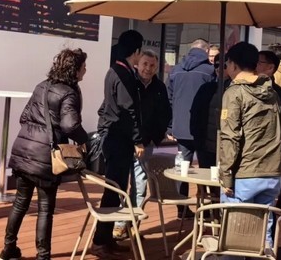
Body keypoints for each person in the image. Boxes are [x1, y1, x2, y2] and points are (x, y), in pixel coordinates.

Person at [0, 49, 89, 260]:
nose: (86, 70)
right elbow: (69, 125)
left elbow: (24, 117)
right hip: (45, 158)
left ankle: (8, 249)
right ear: (75, 70)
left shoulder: (42, 85)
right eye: (83, 66)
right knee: (45, 209)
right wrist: (84, 139)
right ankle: (43, 255)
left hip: (23, 151)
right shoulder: (68, 93)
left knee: (20, 202)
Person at [219, 42, 281, 248]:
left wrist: (226, 175)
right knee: (263, 234)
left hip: (244, 173)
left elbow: (230, 137)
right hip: (271, 172)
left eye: (227, 64)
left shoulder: (234, 93)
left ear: (233, 65)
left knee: (234, 234)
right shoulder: (271, 92)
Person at [92, 30, 145, 256]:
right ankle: (100, 240)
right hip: (119, 140)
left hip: (114, 137)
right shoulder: (123, 73)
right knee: (113, 190)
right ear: (136, 51)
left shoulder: (115, 70)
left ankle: (106, 238)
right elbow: (128, 109)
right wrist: (138, 140)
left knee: (116, 189)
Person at [113, 49, 171, 240]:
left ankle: (131, 226)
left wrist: (156, 136)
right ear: (138, 63)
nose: (148, 68)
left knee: (139, 185)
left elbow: (165, 113)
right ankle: (118, 223)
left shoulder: (160, 87)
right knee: (119, 185)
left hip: (146, 144)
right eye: (145, 64)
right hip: (124, 141)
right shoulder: (129, 82)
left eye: (152, 65)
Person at [168, 38, 215, 218]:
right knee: (207, 170)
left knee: (183, 170)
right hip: (203, 128)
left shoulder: (175, 70)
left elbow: (169, 99)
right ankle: (207, 210)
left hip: (181, 128)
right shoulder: (209, 71)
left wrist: (170, 126)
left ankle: (182, 208)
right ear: (206, 51)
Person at [257, 50, 281, 210]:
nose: (255, 65)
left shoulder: (279, 94)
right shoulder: (249, 89)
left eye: (259, 62)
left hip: (278, 136)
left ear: (270, 68)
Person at [190, 53, 229, 168]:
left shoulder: (235, 90)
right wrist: (196, 136)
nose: (219, 69)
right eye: (216, 65)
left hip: (226, 147)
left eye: (224, 66)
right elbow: (195, 112)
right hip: (205, 145)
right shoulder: (206, 88)